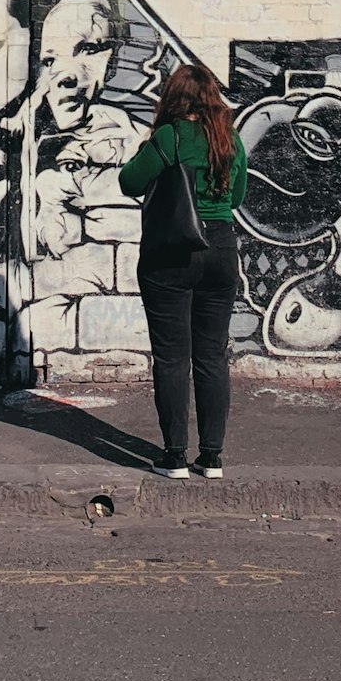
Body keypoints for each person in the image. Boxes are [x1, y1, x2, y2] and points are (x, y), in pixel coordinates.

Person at [118, 65, 247, 480]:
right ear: (212, 96)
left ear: (173, 97)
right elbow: (239, 193)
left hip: (172, 253)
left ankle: (174, 456)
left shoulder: (169, 137)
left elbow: (129, 182)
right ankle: (212, 457)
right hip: (221, 250)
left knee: (172, 358)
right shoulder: (229, 137)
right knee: (212, 355)